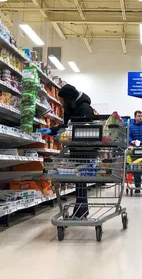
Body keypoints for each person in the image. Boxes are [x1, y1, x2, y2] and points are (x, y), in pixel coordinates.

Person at [56, 84, 95, 218]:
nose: (61, 103)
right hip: (75, 148)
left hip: (86, 149)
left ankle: (81, 211)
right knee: (79, 180)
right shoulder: (69, 108)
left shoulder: (85, 108)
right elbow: (66, 126)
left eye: (62, 100)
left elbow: (87, 129)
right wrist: (53, 130)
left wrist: (70, 134)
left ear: (69, 98)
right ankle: (81, 211)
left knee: (81, 179)